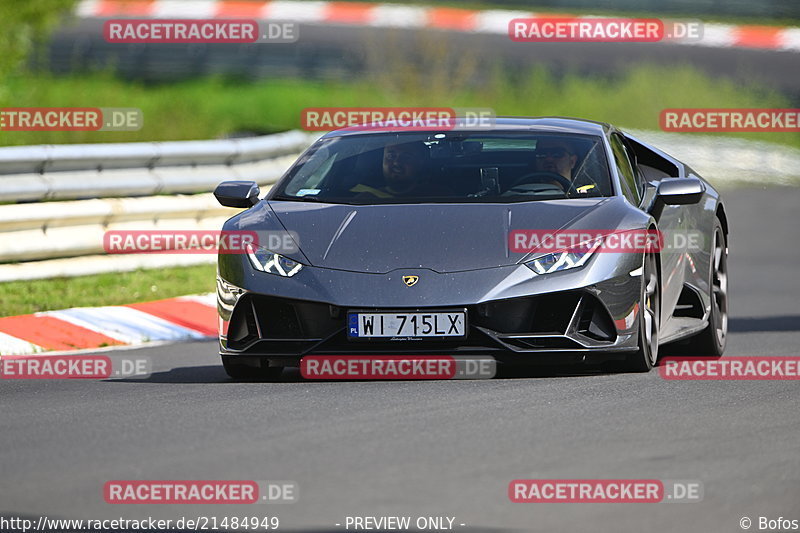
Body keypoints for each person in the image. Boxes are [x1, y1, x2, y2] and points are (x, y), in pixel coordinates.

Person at [350, 141, 449, 198]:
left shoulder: (439, 196)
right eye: (390, 156)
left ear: (421, 162)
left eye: (406, 157)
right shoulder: (363, 200)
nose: (396, 162)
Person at [532, 138, 596, 195]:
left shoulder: (588, 194)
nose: (548, 159)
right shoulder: (524, 192)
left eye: (557, 154)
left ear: (572, 161)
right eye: (541, 154)